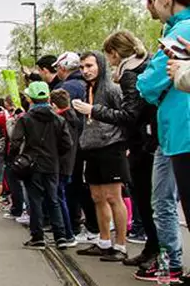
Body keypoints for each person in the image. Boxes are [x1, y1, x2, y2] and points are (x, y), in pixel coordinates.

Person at [138, 0, 190, 286]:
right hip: (178, 131)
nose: (154, 5)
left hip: (183, 131)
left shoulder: (180, 32)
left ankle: (173, 265)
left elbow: (148, 83)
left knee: (170, 204)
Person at [97, 31, 164, 274]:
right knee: (150, 200)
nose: (110, 61)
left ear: (114, 53)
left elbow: (129, 114)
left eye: (109, 56)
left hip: (141, 144)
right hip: (152, 138)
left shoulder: (128, 74)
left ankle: (157, 252)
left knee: (146, 200)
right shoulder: (145, 65)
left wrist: (94, 110)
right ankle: (152, 247)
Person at [71, 51, 130, 261]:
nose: (85, 71)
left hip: (111, 147)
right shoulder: (88, 89)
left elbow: (125, 116)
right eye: (82, 67)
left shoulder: (113, 89)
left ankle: (121, 245)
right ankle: (104, 241)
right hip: (91, 148)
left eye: (89, 66)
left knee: (114, 197)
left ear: (101, 66)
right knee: (97, 197)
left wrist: (93, 110)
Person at [13, 81, 76, 249]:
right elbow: (67, 144)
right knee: (53, 200)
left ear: (30, 99)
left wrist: (17, 158)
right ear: (48, 97)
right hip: (52, 164)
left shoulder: (25, 119)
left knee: (35, 201)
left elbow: (15, 142)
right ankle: (61, 237)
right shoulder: (58, 119)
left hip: (31, 164)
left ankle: (38, 237)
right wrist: (55, 155)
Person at [51, 89, 82, 242]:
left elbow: (64, 144)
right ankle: (67, 231)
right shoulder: (73, 118)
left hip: (61, 164)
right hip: (69, 163)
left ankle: (67, 233)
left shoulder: (61, 120)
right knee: (63, 196)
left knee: (58, 197)